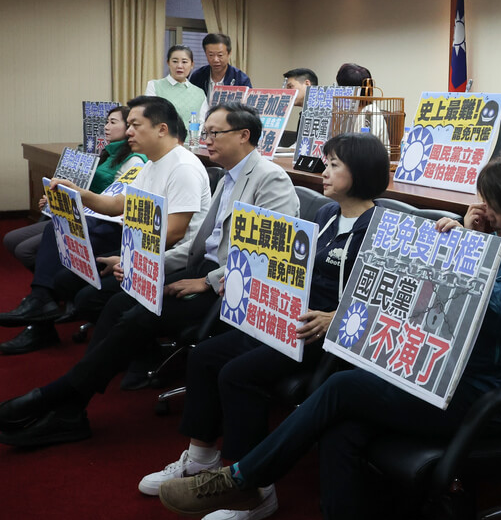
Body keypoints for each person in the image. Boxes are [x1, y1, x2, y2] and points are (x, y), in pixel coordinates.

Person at [158, 150, 501, 520]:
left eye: (493, 204)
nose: (484, 210)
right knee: (343, 428)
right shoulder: (492, 239)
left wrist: (469, 253)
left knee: (343, 389)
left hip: (478, 396)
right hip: (430, 374)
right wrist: (466, 245)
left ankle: (245, 477)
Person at [0, 102, 298, 449]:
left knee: (138, 316)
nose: (206, 140)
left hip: (229, 288)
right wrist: (141, 262)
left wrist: (207, 282)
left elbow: (268, 259)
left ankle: (62, 397)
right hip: (199, 271)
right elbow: (197, 248)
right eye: (205, 132)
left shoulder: (269, 178)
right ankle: (70, 405)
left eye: (215, 133)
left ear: (244, 135)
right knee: (116, 304)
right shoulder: (228, 176)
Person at [138, 132, 388, 520]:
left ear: (360, 172)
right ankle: (201, 458)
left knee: (238, 374)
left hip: (323, 333)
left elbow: (384, 297)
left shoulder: (380, 228)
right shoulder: (327, 214)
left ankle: (254, 490)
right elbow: (291, 265)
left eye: (334, 165)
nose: (324, 172)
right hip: (286, 317)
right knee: (204, 355)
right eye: (326, 163)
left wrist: (335, 317)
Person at [0, 96, 209, 354]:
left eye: (135, 125)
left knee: (88, 298)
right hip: (143, 249)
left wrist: (126, 259)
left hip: (169, 258)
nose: (128, 132)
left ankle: (135, 352)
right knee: (65, 278)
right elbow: (118, 203)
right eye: (128, 125)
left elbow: (174, 233)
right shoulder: (154, 164)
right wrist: (78, 193)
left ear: (161, 129)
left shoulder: (183, 167)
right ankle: (49, 312)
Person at [3, 105, 145, 272]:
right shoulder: (107, 153)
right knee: (11, 239)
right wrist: (56, 200)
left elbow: (113, 201)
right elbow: (85, 189)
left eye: (113, 122)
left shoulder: (134, 161)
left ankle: (50, 282)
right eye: (106, 122)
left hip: (96, 219)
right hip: (80, 210)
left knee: (25, 250)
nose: (106, 127)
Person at [146, 45, 208, 124]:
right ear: (168, 63)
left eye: (184, 62)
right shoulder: (154, 86)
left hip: (192, 132)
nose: (179, 66)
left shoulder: (199, 93)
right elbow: (150, 116)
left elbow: (203, 122)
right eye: (175, 61)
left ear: (192, 65)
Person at [189, 33, 251, 100]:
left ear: (229, 54)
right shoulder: (197, 76)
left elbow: (249, 104)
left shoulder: (241, 79)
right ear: (206, 54)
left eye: (220, 55)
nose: (215, 60)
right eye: (211, 55)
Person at [279, 68, 319, 148]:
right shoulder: (304, 113)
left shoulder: (319, 114)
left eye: (290, 87)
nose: (288, 92)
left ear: (307, 84)